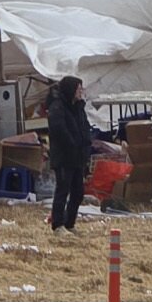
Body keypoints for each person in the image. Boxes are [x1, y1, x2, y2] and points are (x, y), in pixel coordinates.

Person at [46, 76, 92, 235]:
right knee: (62, 191)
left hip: (78, 157)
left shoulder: (79, 108)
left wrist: (86, 145)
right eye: (78, 89)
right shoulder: (57, 107)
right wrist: (72, 145)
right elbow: (59, 131)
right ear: (71, 90)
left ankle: (69, 223)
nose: (80, 92)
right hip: (64, 158)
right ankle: (57, 225)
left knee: (78, 192)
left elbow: (84, 127)